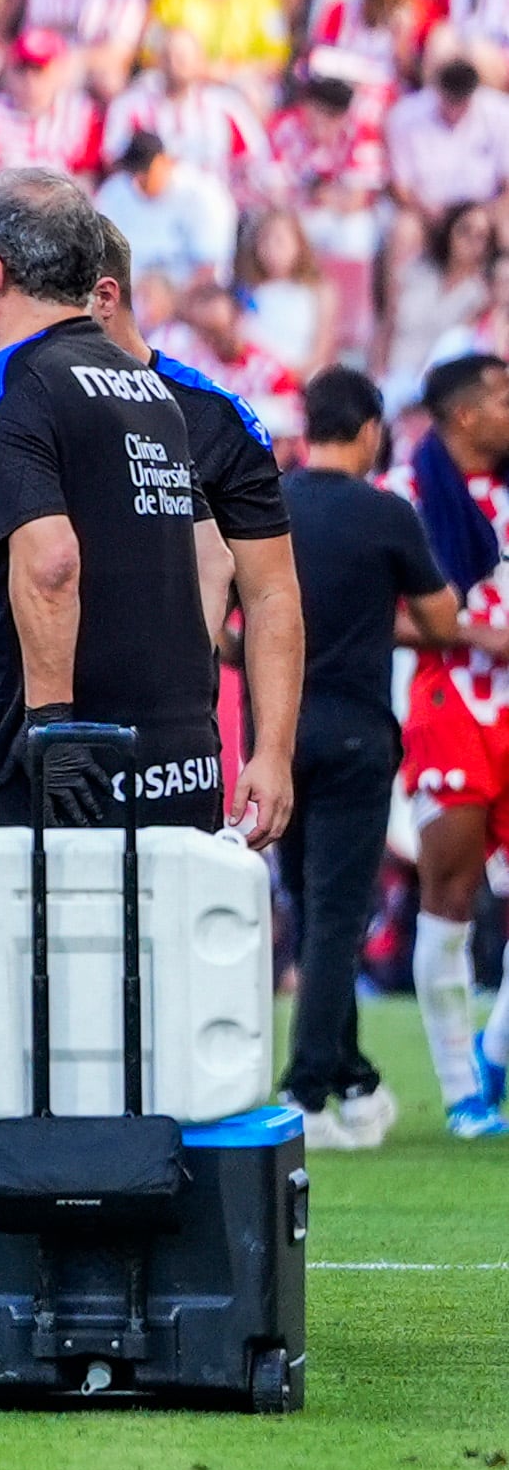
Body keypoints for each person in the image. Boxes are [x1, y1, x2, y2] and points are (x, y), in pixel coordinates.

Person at [0, 169, 296, 847]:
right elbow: (210, 561)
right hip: (172, 763)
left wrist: (51, 728)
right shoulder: (149, 389)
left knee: (31, 951)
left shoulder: (4, 383)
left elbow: (50, 562)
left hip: (60, 773)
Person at [277, 369, 455, 1149]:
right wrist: (380, 630)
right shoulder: (385, 513)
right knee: (337, 915)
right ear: (369, 430)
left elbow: (221, 624)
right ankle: (307, 1086)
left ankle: (348, 1075)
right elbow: (443, 620)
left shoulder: (266, 501)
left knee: (309, 904)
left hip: (275, 735)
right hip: (353, 729)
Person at [394, 351, 509, 1139]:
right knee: (451, 896)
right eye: (503, 395)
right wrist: (475, 634)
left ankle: (493, 1051)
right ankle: (462, 1090)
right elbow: (371, 609)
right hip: (449, 707)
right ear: (465, 415)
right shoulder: (404, 495)